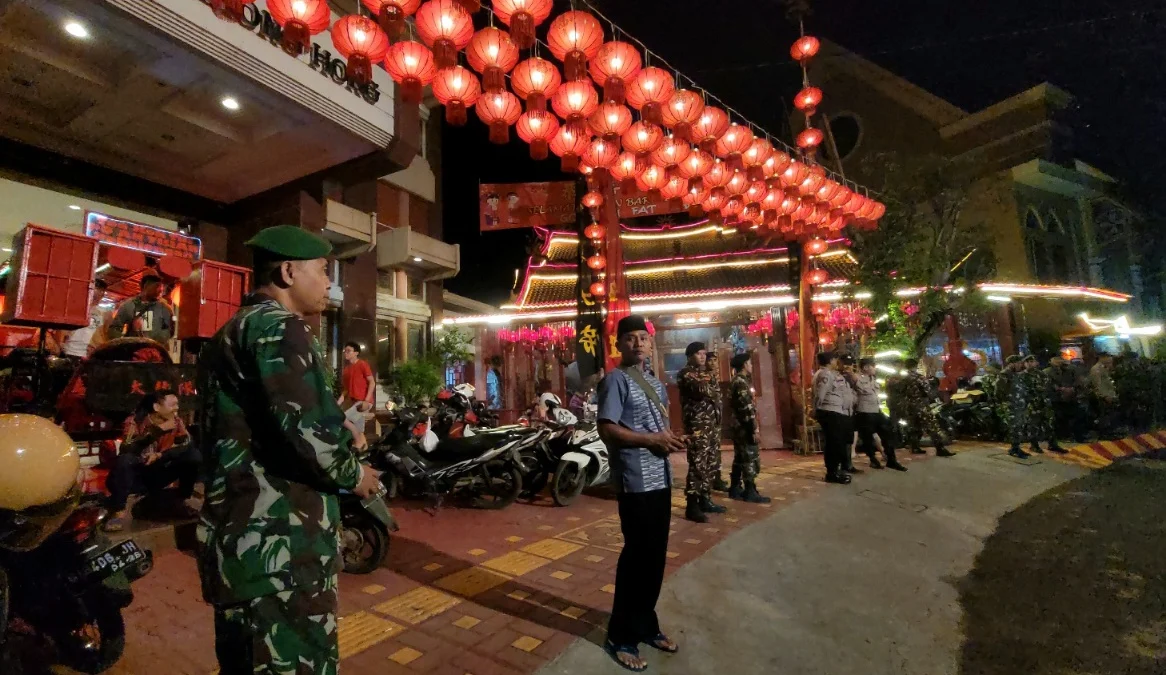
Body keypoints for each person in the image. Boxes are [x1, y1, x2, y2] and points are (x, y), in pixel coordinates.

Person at [197, 225, 382, 675]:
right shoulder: (280, 328)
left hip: (244, 545)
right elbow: (308, 435)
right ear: (287, 271)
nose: (328, 284)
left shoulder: (233, 330)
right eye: (322, 271)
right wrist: (357, 475)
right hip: (281, 547)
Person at [596, 315, 686, 672]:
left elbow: (657, 430)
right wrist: (651, 440)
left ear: (650, 344)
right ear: (618, 345)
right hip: (635, 480)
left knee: (656, 556)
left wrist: (670, 439)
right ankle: (621, 635)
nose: (637, 344)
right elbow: (607, 428)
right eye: (629, 339)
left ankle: (646, 625)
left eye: (642, 339)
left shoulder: (656, 383)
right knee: (636, 558)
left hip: (660, 477)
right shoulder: (615, 380)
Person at [103, 392, 200, 532]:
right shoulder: (135, 420)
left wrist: (160, 455)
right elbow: (127, 447)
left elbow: (187, 445)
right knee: (126, 460)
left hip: (158, 471)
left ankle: (181, 500)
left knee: (193, 456)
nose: (177, 408)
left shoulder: (177, 422)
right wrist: (158, 431)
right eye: (172, 404)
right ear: (156, 407)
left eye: (178, 404)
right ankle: (118, 510)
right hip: (136, 475)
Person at [677, 342, 726, 523]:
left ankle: (705, 498)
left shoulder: (706, 374)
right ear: (690, 356)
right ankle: (692, 504)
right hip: (697, 427)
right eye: (699, 353)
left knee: (710, 463)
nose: (703, 356)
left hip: (711, 425)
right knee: (697, 464)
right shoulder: (685, 373)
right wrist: (709, 384)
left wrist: (709, 384)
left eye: (704, 353)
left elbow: (715, 394)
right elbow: (702, 390)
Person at [728, 352, 772, 502]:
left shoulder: (738, 381)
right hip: (743, 427)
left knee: (740, 457)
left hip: (739, 426)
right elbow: (746, 409)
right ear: (745, 365)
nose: (751, 366)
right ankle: (750, 490)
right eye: (750, 363)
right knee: (749, 457)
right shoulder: (740, 383)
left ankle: (734, 487)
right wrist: (753, 429)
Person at [853, 358, 908, 471]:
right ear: (865, 367)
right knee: (868, 438)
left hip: (876, 410)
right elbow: (862, 391)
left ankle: (891, 460)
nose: (875, 368)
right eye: (873, 366)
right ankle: (873, 459)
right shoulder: (857, 378)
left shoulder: (873, 378)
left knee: (887, 433)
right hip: (865, 411)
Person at [813, 351, 854, 484]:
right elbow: (820, 394)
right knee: (834, 443)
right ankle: (832, 472)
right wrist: (817, 410)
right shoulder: (825, 374)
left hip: (837, 412)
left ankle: (837, 470)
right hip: (830, 412)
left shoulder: (832, 374)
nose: (837, 362)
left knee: (837, 442)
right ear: (830, 361)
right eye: (835, 359)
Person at [900, 359, 954, 457]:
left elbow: (901, 393)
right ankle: (940, 449)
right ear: (916, 366)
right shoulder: (919, 378)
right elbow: (927, 391)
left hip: (909, 406)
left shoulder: (902, 379)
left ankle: (915, 447)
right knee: (932, 426)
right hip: (921, 405)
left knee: (915, 426)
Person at [107, 273, 174, 344]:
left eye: (161, 287)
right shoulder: (129, 305)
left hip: (156, 350)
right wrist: (123, 344)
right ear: (145, 287)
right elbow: (115, 328)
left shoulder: (165, 308)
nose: (160, 290)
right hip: (133, 349)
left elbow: (171, 330)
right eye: (156, 286)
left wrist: (159, 340)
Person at [58, 279, 108, 360]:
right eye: (94, 296)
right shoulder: (73, 309)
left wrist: (98, 349)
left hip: (90, 355)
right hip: (70, 352)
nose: (97, 299)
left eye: (101, 295)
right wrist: (60, 345)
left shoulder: (104, 313)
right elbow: (61, 331)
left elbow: (105, 335)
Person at [705, 352, 730, 492]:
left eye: (715, 360)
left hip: (715, 419)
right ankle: (708, 480)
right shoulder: (704, 378)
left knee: (716, 450)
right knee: (708, 451)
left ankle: (717, 478)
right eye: (710, 360)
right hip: (707, 421)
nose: (713, 363)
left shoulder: (714, 378)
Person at [338, 341, 375, 412]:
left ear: (356, 353)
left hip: (363, 401)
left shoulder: (362, 364)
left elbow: (372, 382)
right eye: (345, 351)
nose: (346, 353)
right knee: (340, 416)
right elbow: (346, 390)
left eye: (348, 351)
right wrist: (338, 403)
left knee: (344, 418)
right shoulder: (346, 370)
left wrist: (366, 400)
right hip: (352, 402)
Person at [1090, 353, 1119, 438]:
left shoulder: (1104, 368)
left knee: (1109, 414)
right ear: (1102, 358)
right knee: (1104, 414)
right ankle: (1104, 433)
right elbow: (1098, 384)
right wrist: (1104, 396)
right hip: (1104, 396)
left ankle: (1109, 431)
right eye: (1108, 359)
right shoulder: (1096, 369)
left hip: (1109, 394)